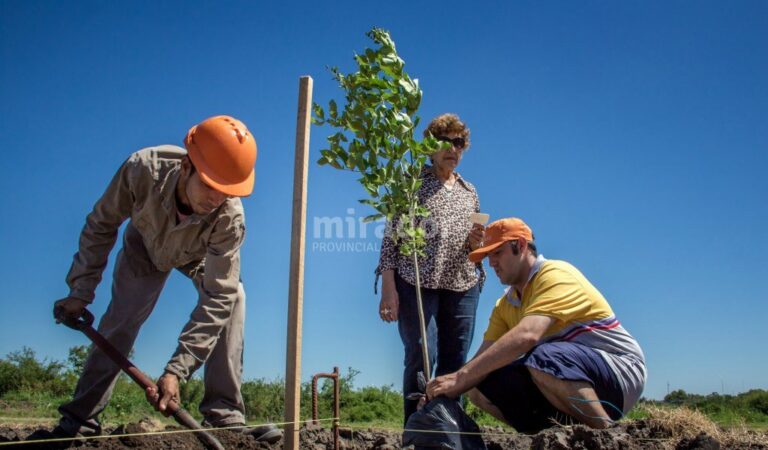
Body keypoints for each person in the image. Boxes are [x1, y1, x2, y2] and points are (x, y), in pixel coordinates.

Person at [51, 115, 281, 443]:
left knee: (234, 299)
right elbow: (101, 224)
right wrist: (80, 290)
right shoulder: (142, 169)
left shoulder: (229, 217)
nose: (216, 199)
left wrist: (177, 370)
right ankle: (81, 418)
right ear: (186, 166)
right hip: (144, 245)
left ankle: (224, 418)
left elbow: (218, 295)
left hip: (198, 255)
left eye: (226, 191)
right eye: (209, 186)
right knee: (123, 317)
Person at [427, 218, 646, 432]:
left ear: (521, 245)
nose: (491, 263)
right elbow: (480, 360)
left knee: (543, 358)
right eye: (488, 256)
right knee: (476, 384)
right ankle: (547, 437)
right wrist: (441, 394)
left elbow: (528, 335)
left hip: (619, 373)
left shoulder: (555, 274)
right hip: (565, 379)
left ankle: (608, 434)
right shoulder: (505, 305)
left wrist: (460, 377)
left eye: (497, 253)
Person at [376, 113, 486, 423]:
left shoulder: (469, 191)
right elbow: (391, 239)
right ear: (429, 147)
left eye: (458, 143)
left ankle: (448, 431)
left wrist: (475, 243)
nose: (452, 149)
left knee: (456, 361)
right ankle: (417, 429)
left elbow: (473, 250)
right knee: (421, 354)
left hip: (462, 284)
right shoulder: (411, 184)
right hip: (415, 282)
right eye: (444, 142)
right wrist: (388, 289)